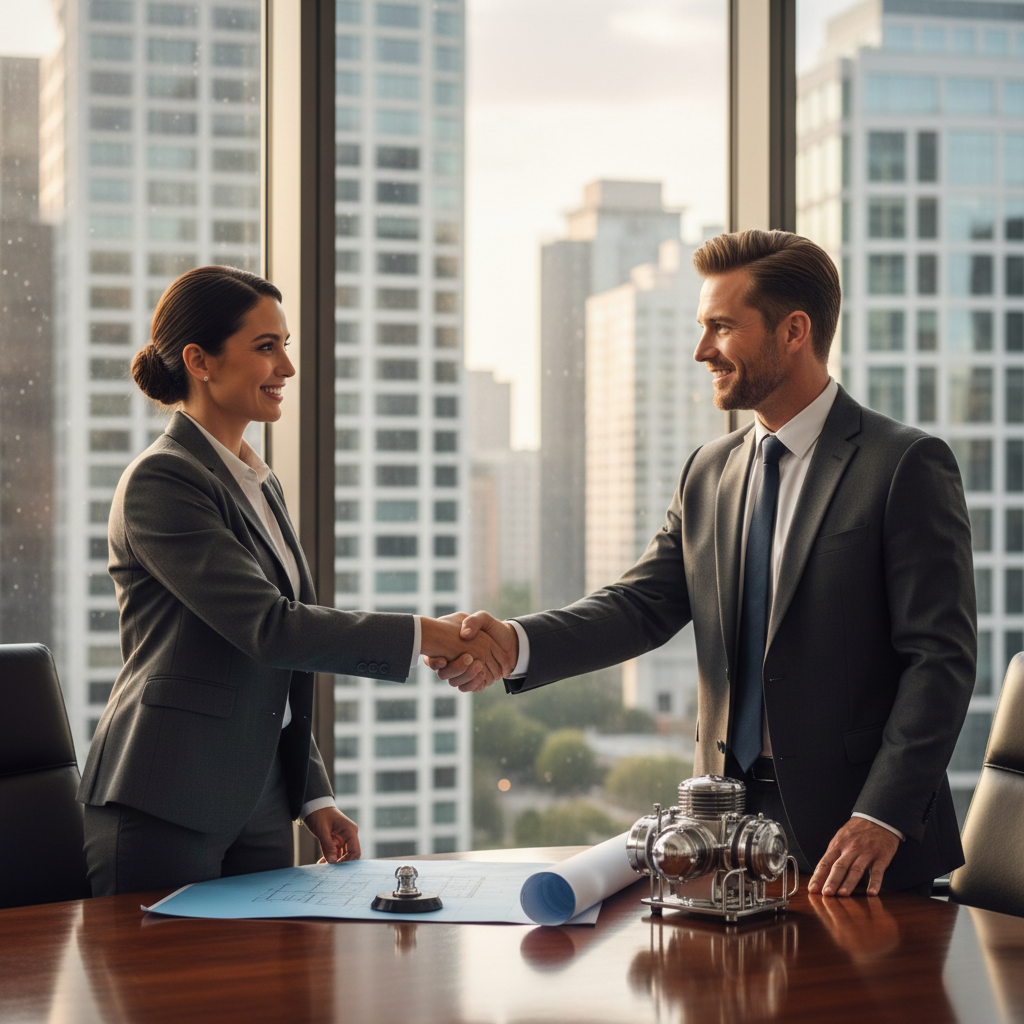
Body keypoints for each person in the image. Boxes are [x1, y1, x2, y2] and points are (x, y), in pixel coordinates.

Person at [429, 230, 976, 897]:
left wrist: (881, 815)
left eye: (721, 327)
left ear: (794, 330)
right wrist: (512, 644)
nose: (701, 350)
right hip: (723, 827)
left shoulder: (903, 465)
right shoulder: (709, 470)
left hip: (859, 842)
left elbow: (940, 658)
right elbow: (641, 605)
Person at [78, 266, 512, 897]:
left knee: (264, 995)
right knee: (159, 996)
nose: (286, 366)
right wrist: (428, 635)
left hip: (258, 804)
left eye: (285, 345)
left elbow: (279, 670)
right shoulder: (161, 481)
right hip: (163, 799)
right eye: (265, 347)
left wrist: (311, 795)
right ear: (199, 360)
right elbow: (271, 629)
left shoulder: (258, 481)